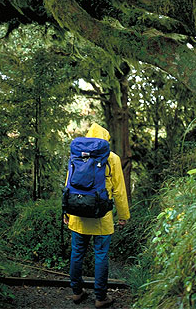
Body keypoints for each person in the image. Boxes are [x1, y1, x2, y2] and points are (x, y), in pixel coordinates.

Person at [64, 123, 130, 308]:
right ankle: (100, 297)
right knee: (101, 255)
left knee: (77, 253)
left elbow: (69, 185)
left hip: (77, 214)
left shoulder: (77, 155)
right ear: (105, 139)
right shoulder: (112, 158)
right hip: (102, 216)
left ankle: (77, 293)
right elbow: (118, 190)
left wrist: (66, 211)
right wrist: (123, 215)